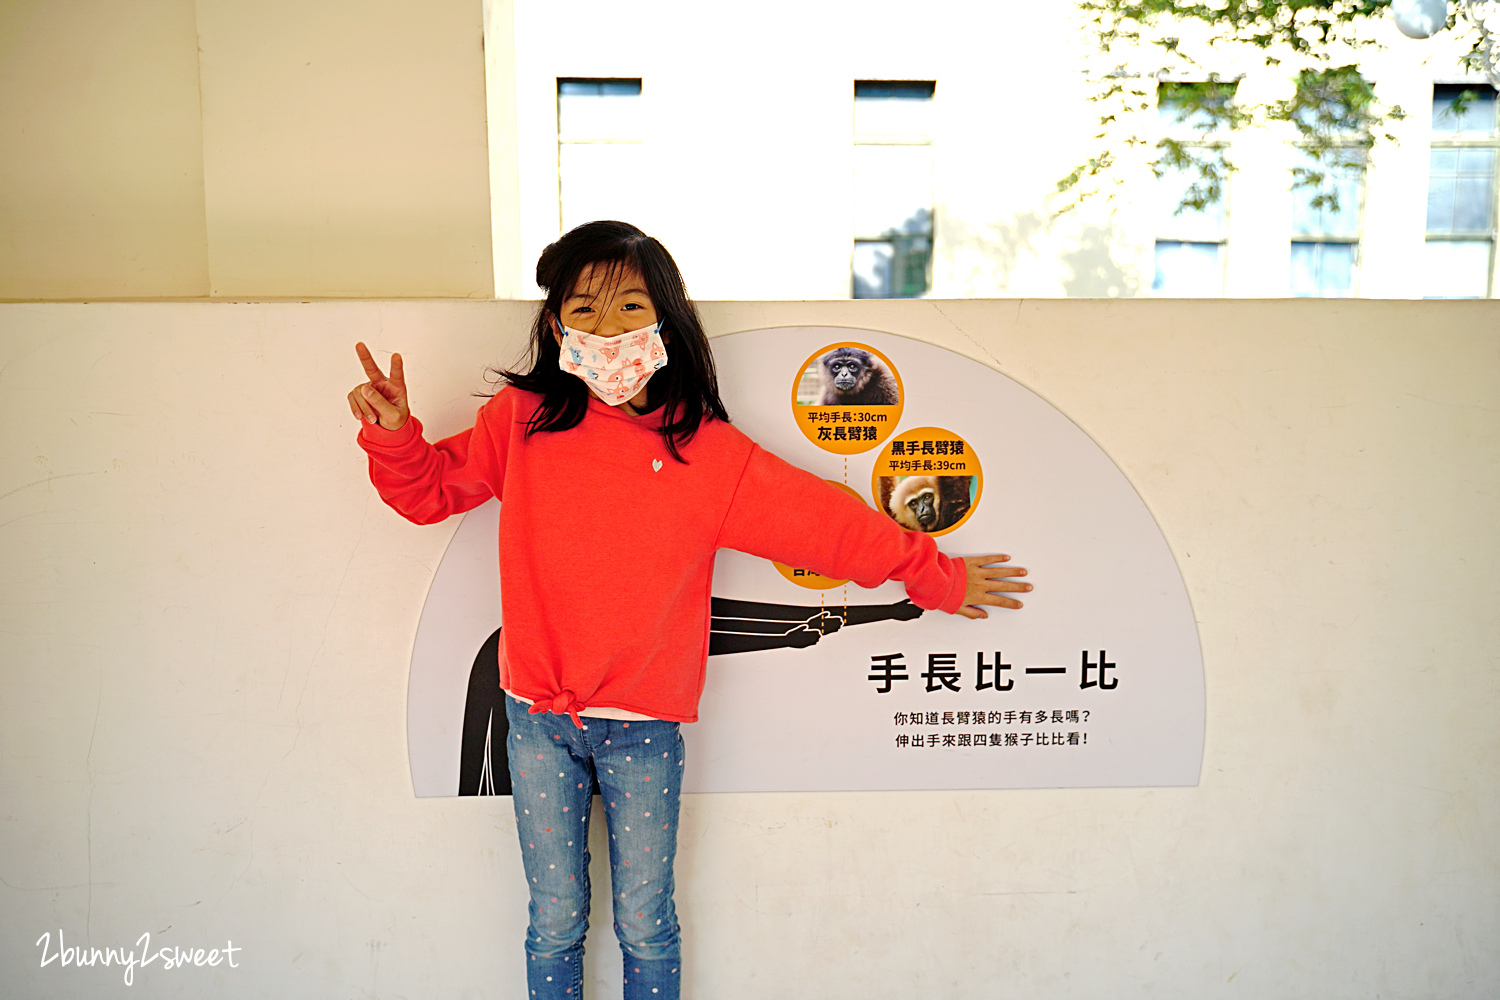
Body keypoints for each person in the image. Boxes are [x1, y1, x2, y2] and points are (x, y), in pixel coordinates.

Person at [347, 220, 1030, 1000]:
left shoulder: (704, 452)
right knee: (555, 920)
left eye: (632, 307)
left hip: (645, 730)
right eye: (586, 309)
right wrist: (396, 435)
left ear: (666, 321)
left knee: (645, 922)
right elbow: (432, 491)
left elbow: (826, 525)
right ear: (555, 324)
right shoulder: (521, 423)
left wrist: (935, 576)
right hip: (538, 721)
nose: (609, 331)